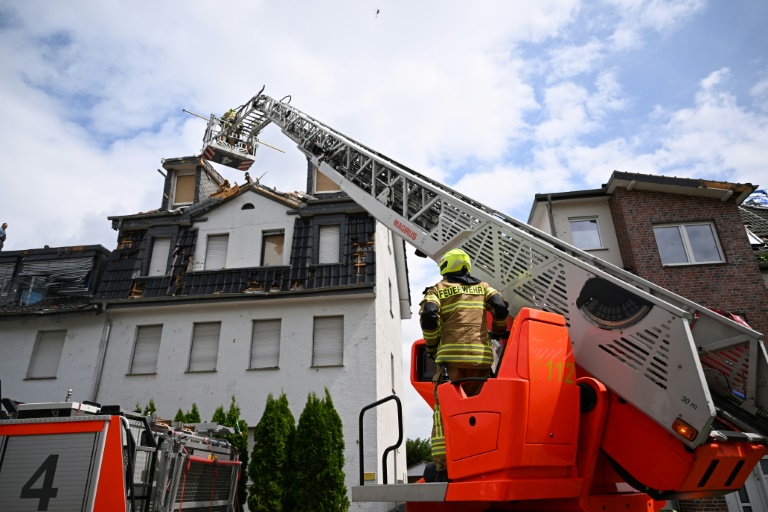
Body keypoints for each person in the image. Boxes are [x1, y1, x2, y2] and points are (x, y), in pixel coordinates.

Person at [419, 248, 509, 482]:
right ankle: (484, 460)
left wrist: (431, 347)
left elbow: (429, 315)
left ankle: (442, 468)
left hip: (453, 362)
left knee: (445, 411)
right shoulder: (484, 288)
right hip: (482, 361)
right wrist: (498, 331)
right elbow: (500, 306)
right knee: (481, 412)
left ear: (446, 267)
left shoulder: (439, 289)